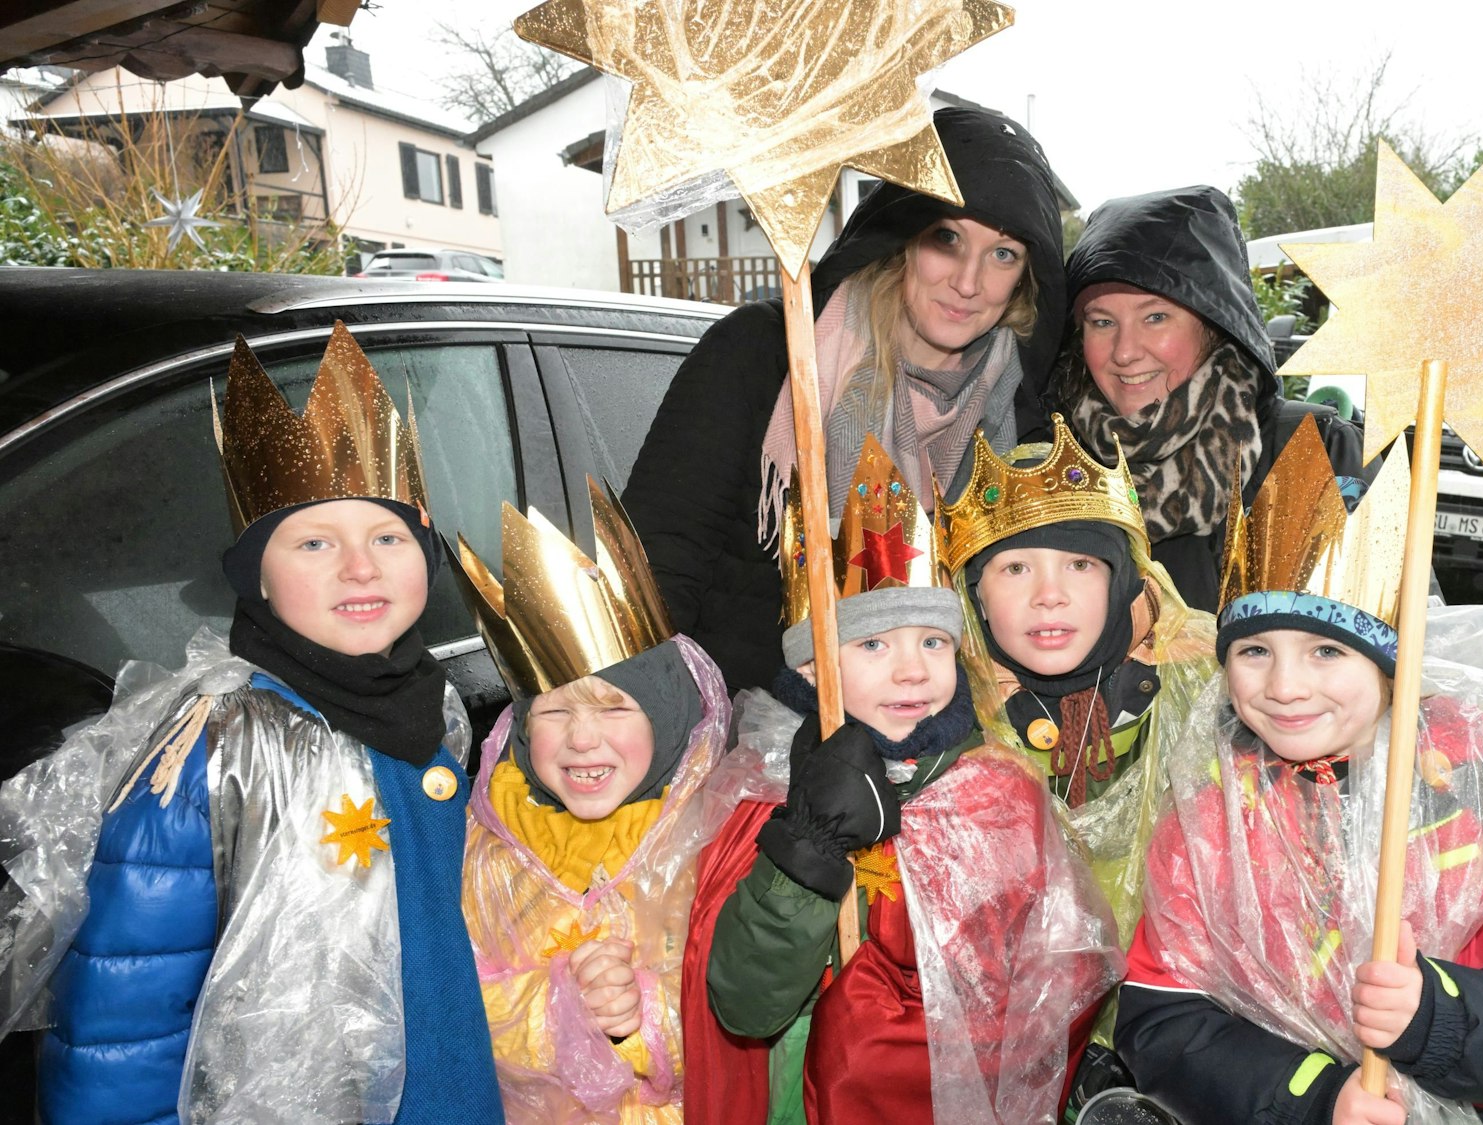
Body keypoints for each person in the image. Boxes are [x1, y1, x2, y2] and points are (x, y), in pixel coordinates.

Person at [0, 325, 503, 1124]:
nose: (361, 566)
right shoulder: (217, 750)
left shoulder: (429, 710)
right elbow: (125, 1014)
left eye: (388, 536)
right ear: (256, 579)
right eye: (313, 541)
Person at [1119, 429, 1483, 1125]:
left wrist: (1438, 1015)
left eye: (1328, 649)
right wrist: (1315, 1094)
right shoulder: (1212, 825)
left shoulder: (1475, 803)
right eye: (1254, 650)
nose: (1285, 685)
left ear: (1393, 669)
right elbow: (1161, 1019)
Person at [680, 436, 1121, 1125]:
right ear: (808, 670)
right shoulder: (763, 791)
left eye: (933, 641)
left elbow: (1058, 977)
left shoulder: (997, 791)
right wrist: (808, 847)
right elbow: (745, 1003)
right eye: (873, 645)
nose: (912, 670)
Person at [622, 106, 1067, 694]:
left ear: (1025, 277)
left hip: (919, 747)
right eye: (947, 238)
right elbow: (659, 564)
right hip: (735, 738)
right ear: (904, 240)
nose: (968, 281)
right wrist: (648, 720)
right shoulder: (767, 353)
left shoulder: (1015, 415)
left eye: (1003, 254)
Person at [455, 478, 734, 1121]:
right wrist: (564, 1007)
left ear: (665, 717)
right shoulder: (487, 849)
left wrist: (641, 1016)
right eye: (554, 712)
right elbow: (456, 1002)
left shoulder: (715, 838)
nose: (582, 740)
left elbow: (755, 1007)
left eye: (613, 708)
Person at [936, 416, 1216, 937]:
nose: (1049, 594)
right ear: (975, 595)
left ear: (1124, 579)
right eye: (1015, 568)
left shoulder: (1204, 688)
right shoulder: (937, 718)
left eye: (1081, 564)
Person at [1044, 185, 1365, 610]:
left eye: (1155, 317)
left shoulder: (1312, 454)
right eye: (1102, 322)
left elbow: (1397, 643)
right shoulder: (1048, 467)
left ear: (1214, 324)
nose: (1124, 351)